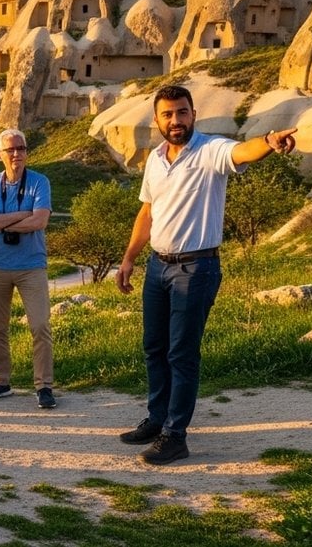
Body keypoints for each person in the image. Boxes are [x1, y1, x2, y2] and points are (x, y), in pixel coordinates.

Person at [115, 85, 296, 465]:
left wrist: (269, 141)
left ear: (193, 114)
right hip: (157, 265)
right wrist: (129, 257)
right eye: (168, 114)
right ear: (157, 120)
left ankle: (175, 436)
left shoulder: (209, 150)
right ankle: (157, 418)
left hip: (196, 267)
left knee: (181, 353)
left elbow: (240, 151)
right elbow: (147, 213)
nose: (175, 121)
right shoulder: (155, 160)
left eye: (182, 113)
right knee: (154, 348)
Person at [0, 129, 56, 410]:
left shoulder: (39, 182)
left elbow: (39, 222)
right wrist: (22, 215)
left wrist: (1, 221)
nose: (17, 154)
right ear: (0, 155)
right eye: (10, 150)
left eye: (21, 148)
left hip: (31, 265)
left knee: (40, 325)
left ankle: (44, 385)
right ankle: (1, 382)